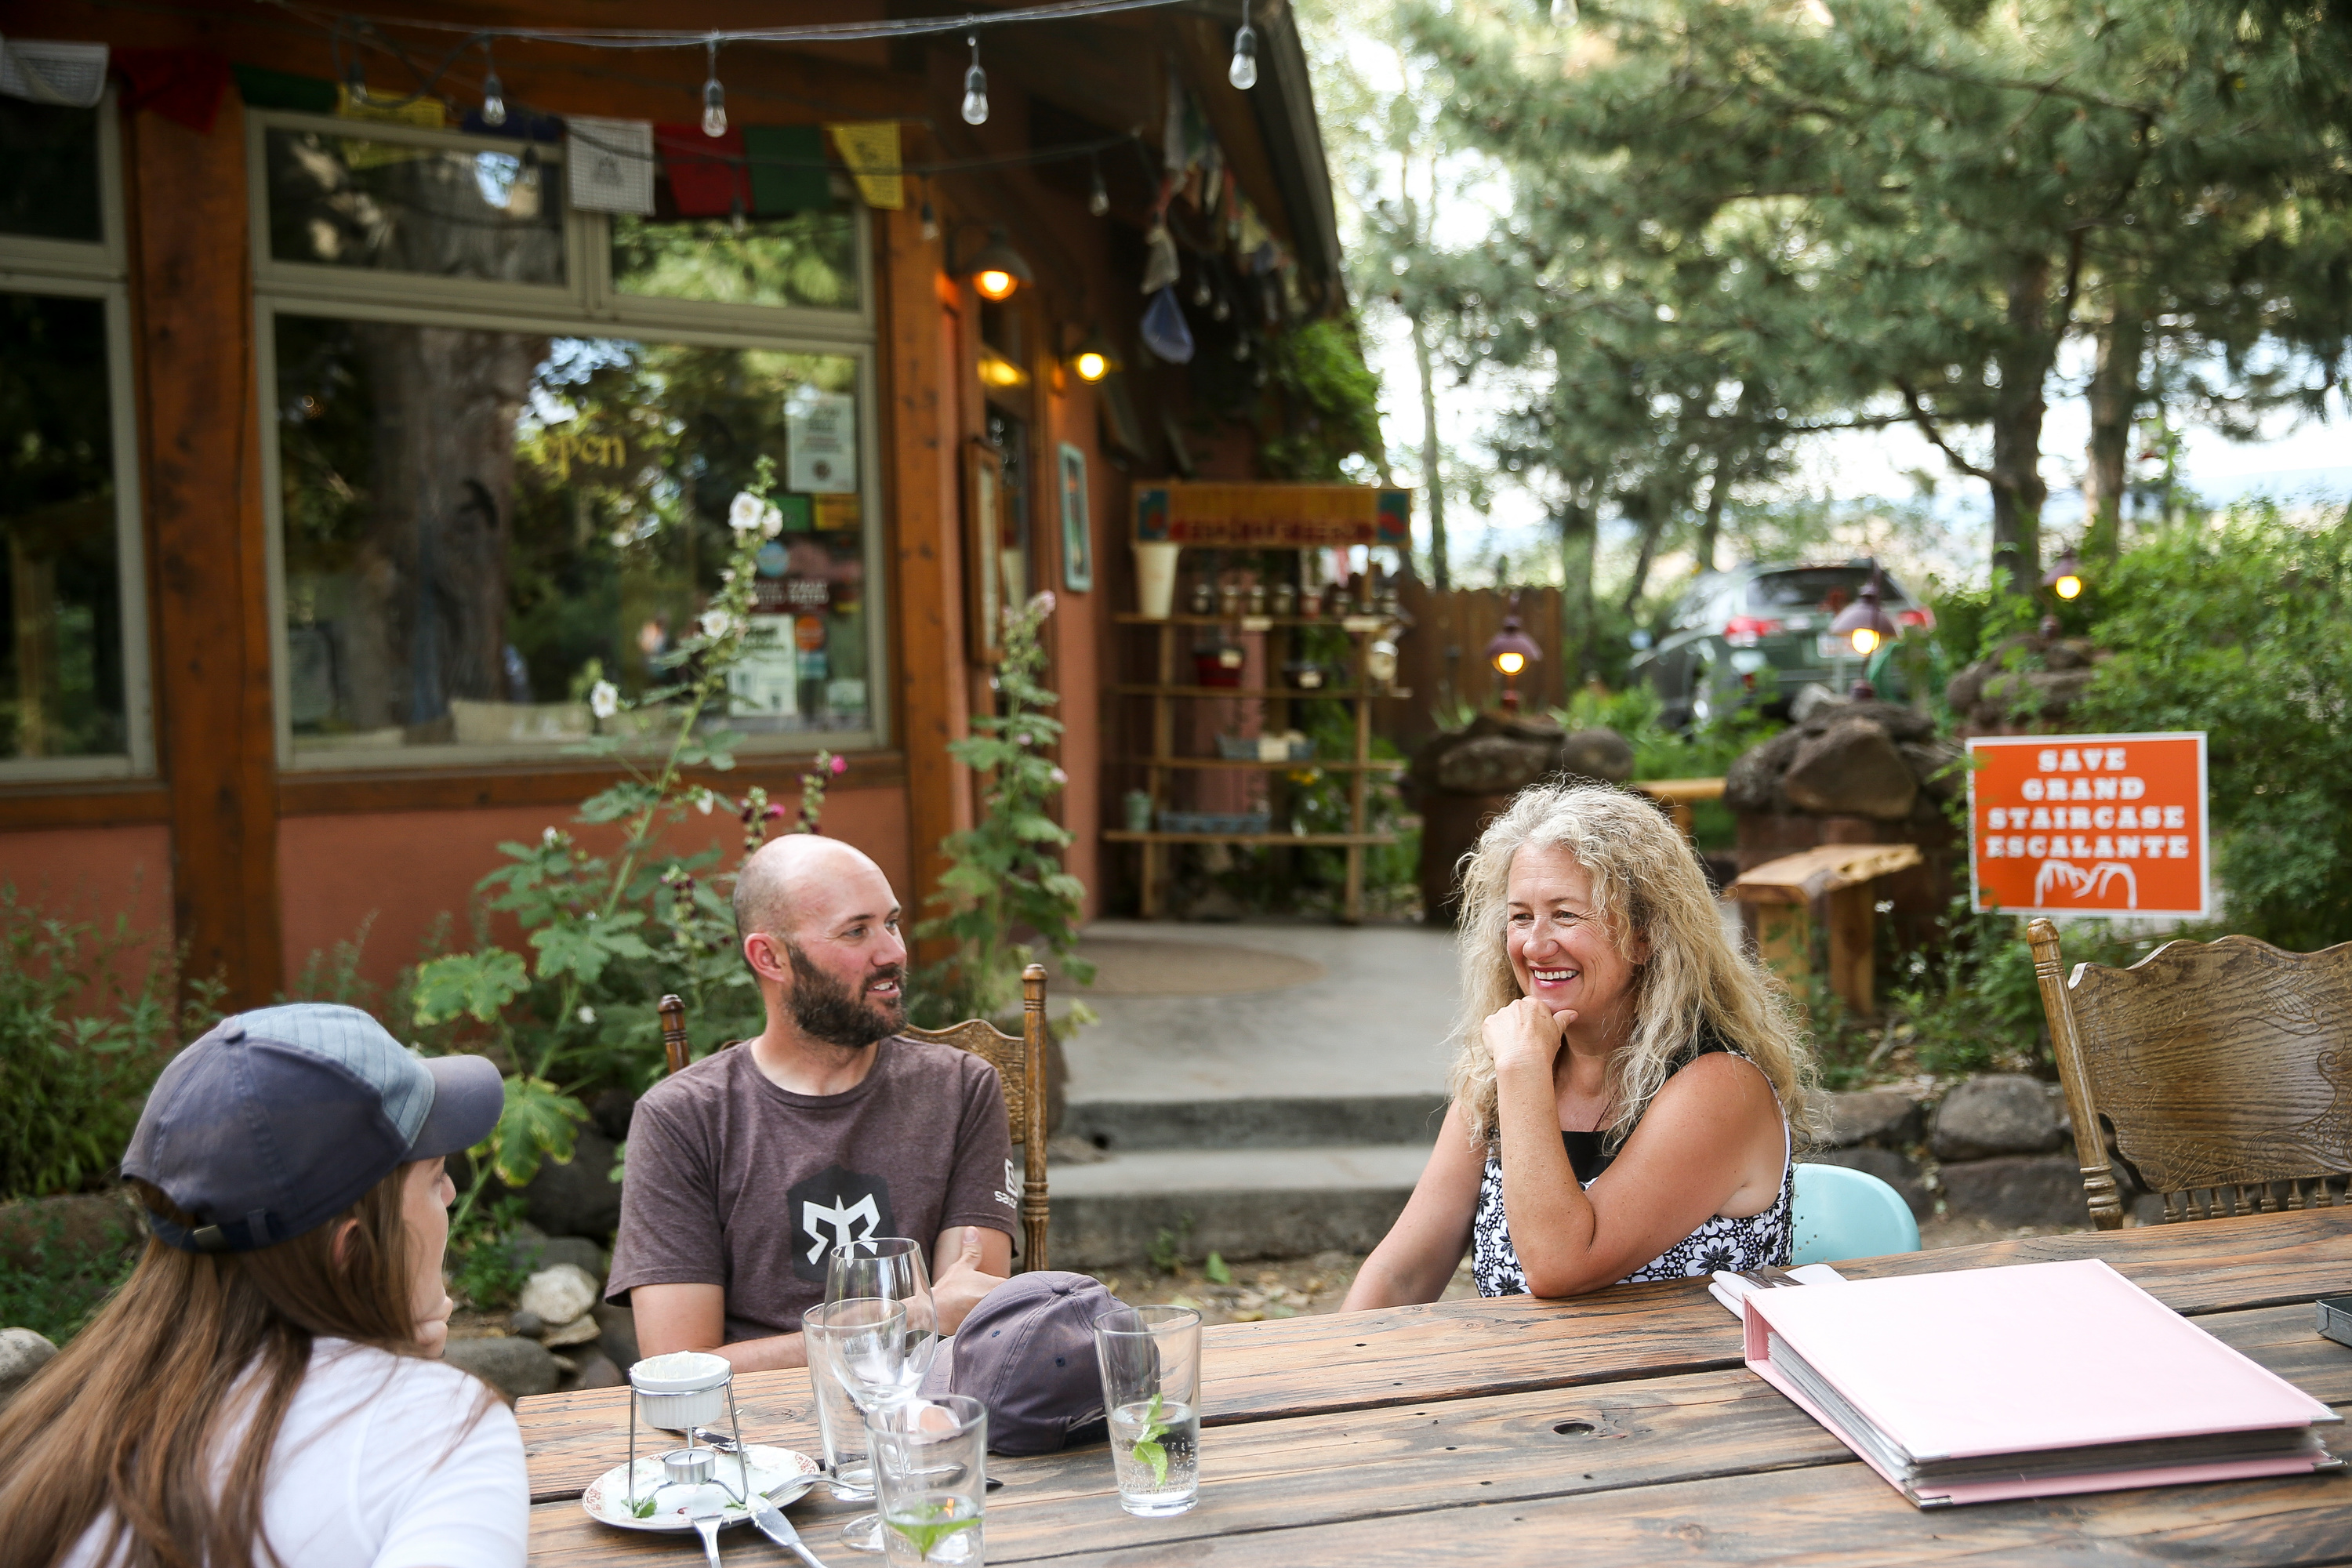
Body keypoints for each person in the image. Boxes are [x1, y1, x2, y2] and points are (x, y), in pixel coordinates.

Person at [0, 1004, 524, 1568]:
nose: (448, 1197)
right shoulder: (439, 1434)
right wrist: (402, 1382)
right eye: (436, 1177)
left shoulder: (42, 1435)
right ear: (352, 1251)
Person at [1345, 782, 1811, 1306]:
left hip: (1688, 1385)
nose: (1536, 945)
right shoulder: (1505, 1076)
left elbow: (1560, 1266)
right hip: (1529, 1382)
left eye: (1566, 915)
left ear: (1645, 934)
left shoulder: (1720, 1085)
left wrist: (1523, 1071)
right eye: (1521, 916)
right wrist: (1334, 1372)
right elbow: (1401, 1273)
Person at [609, 833, 1018, 1370]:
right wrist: (912, 1318)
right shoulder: (683, 1119)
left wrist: (925, 1318)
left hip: (919, 1420)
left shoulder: (960, 1089)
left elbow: (968, 1326)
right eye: (856, 931)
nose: (893, 952)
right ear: (770, 957)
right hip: (750, 1436)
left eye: (891, 922)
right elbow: (677, 1370)